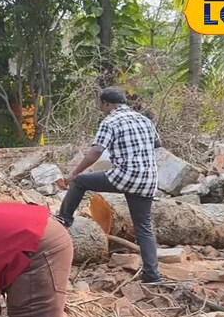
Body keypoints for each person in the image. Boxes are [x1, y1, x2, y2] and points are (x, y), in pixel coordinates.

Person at [54, 87, 161, 283]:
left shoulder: (110, 121)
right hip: (148, 179)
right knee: (144, 226)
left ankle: (63, 219)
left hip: (125, 175)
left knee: (80, 181)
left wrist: (74, 173)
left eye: (101, 105)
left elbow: (95, 152)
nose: (101, 109)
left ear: (105, 103)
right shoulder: (145, 120)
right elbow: (157, 144)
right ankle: (152, 276)